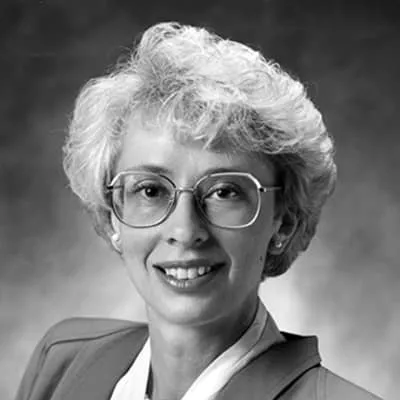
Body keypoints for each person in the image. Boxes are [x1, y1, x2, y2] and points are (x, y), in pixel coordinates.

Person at [15, 22, 382, 400]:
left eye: (224, 192)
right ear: (112, 216)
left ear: (283, 224)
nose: (185, 231)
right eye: (151, 190)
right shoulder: (61, 364)